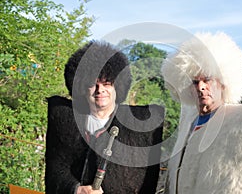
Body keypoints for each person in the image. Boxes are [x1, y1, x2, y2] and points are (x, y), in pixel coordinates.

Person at [161, 32, 242, 194]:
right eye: (195, 82)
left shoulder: (238, 125)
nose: (201, 87)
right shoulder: (187, 122)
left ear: (223, 82)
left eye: (207, 79)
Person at [45, 41, 164, 194]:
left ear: (117, 86)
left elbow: (143, 182)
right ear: (81, 87)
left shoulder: (139, 127)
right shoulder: (65, 120)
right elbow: (55, 169)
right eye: (93, 84)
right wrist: (76, 189)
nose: (100, 90)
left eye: (107, 83)